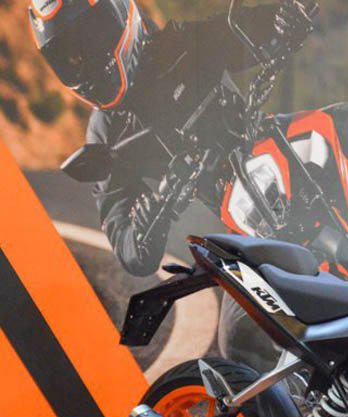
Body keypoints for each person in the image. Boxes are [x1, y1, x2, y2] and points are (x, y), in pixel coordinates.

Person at [29, 0, 315, 277]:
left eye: (90, 36)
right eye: (69, 56)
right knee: (238, 309)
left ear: (118, 13)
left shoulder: (181, 44)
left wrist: (285, 17)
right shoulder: (105, 136)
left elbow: (242, 28)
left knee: (336, 121)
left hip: (282, 148)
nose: (84, 57)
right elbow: (130, 250)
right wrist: (149, 221)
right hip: (244, 217)